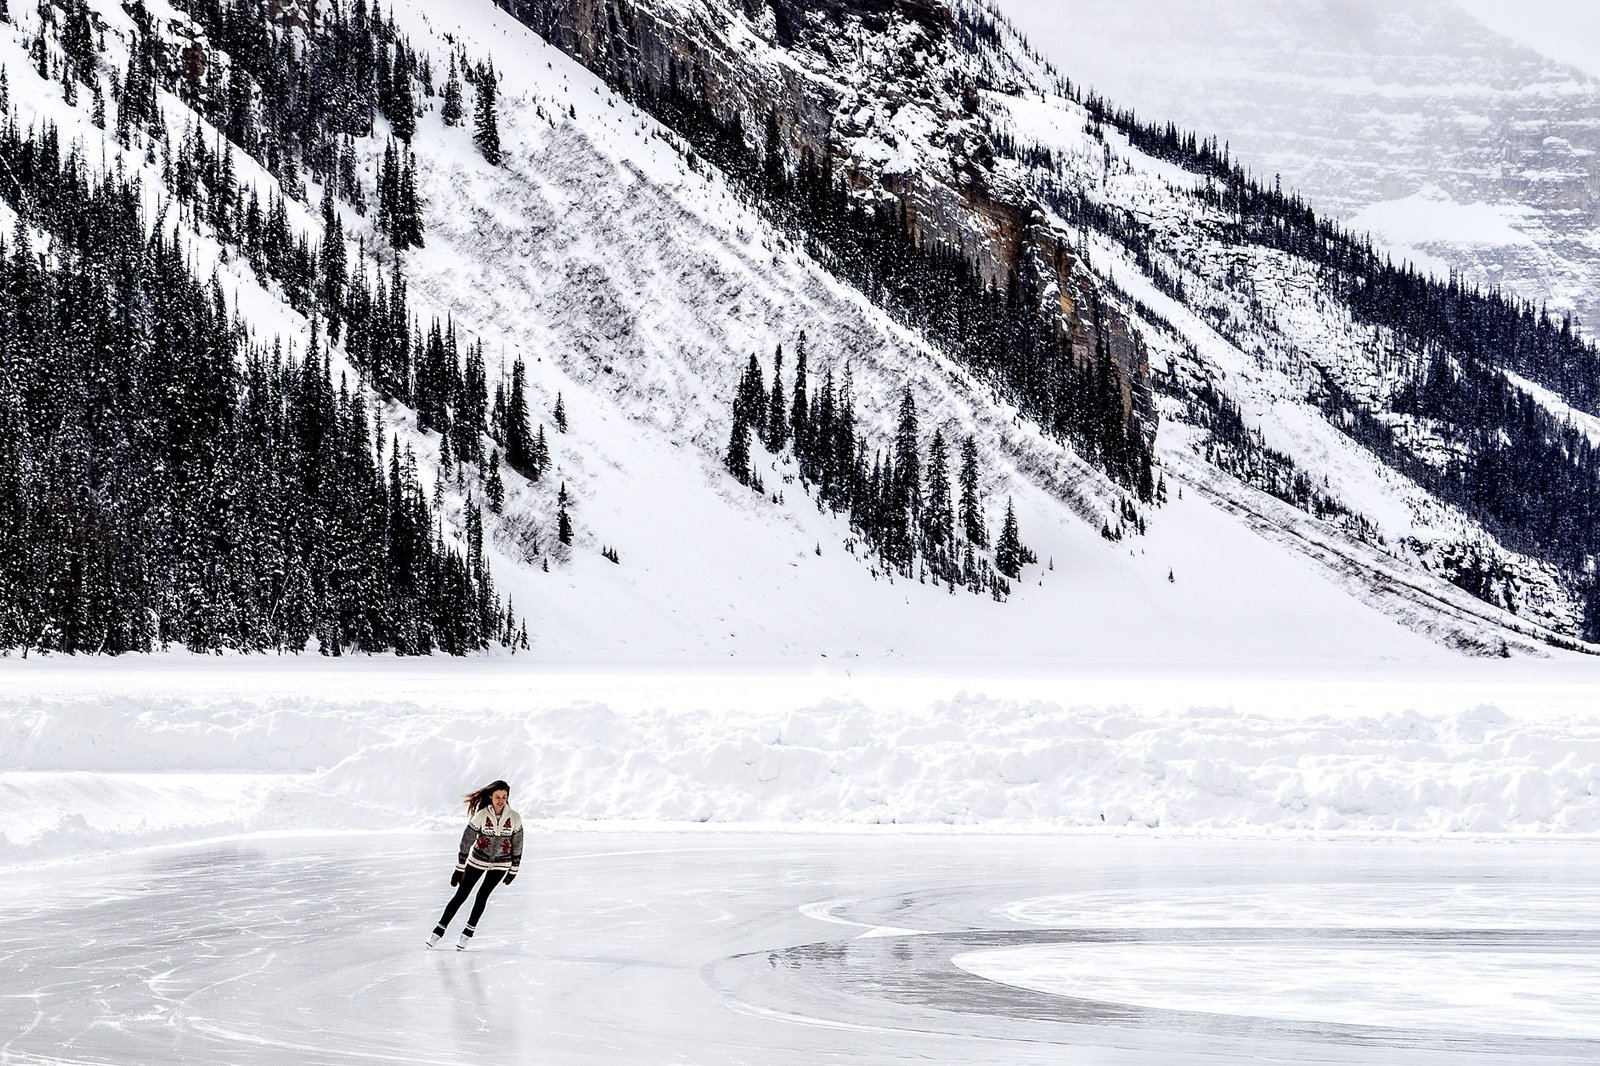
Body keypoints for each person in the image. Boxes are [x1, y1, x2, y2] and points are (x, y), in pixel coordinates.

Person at [427, 779, 523, 950]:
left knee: (482, 896)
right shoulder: (481, 815)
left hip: (501, 865)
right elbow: (466, 841)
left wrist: (513, 869)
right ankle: (438, 932)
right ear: (490, 797)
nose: (501, 800)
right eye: (497, 796)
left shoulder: (514, 817)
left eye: (504, 796)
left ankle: (467, 934)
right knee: (461, 895)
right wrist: (459, 868)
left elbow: (518, 843)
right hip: (477, 861)